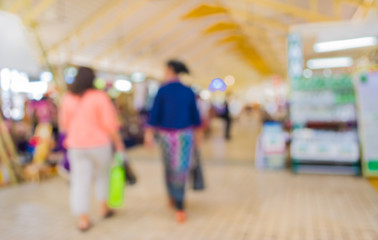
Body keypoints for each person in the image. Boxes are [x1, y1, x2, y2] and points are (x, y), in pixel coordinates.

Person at [59, 67, 125, 231]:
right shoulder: (100, 97)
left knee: (80, 181)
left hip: (76, 145)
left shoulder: (67, 98)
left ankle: (83, 219)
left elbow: (64, 124)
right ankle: (104, 208)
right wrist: (118, 143)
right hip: (99, 145)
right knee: (102, 176)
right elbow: (109, 124)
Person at [145, 60, 202, 223]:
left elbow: (154, 114)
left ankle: (175, 200)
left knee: (169, 168)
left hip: (165, 136)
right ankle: (179, 204)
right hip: (184, 137)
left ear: (170, 70)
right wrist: (198, 138)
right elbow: (195, 117)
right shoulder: (188, 90)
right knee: (181, 170)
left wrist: (149, 135)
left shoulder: (162, 90)